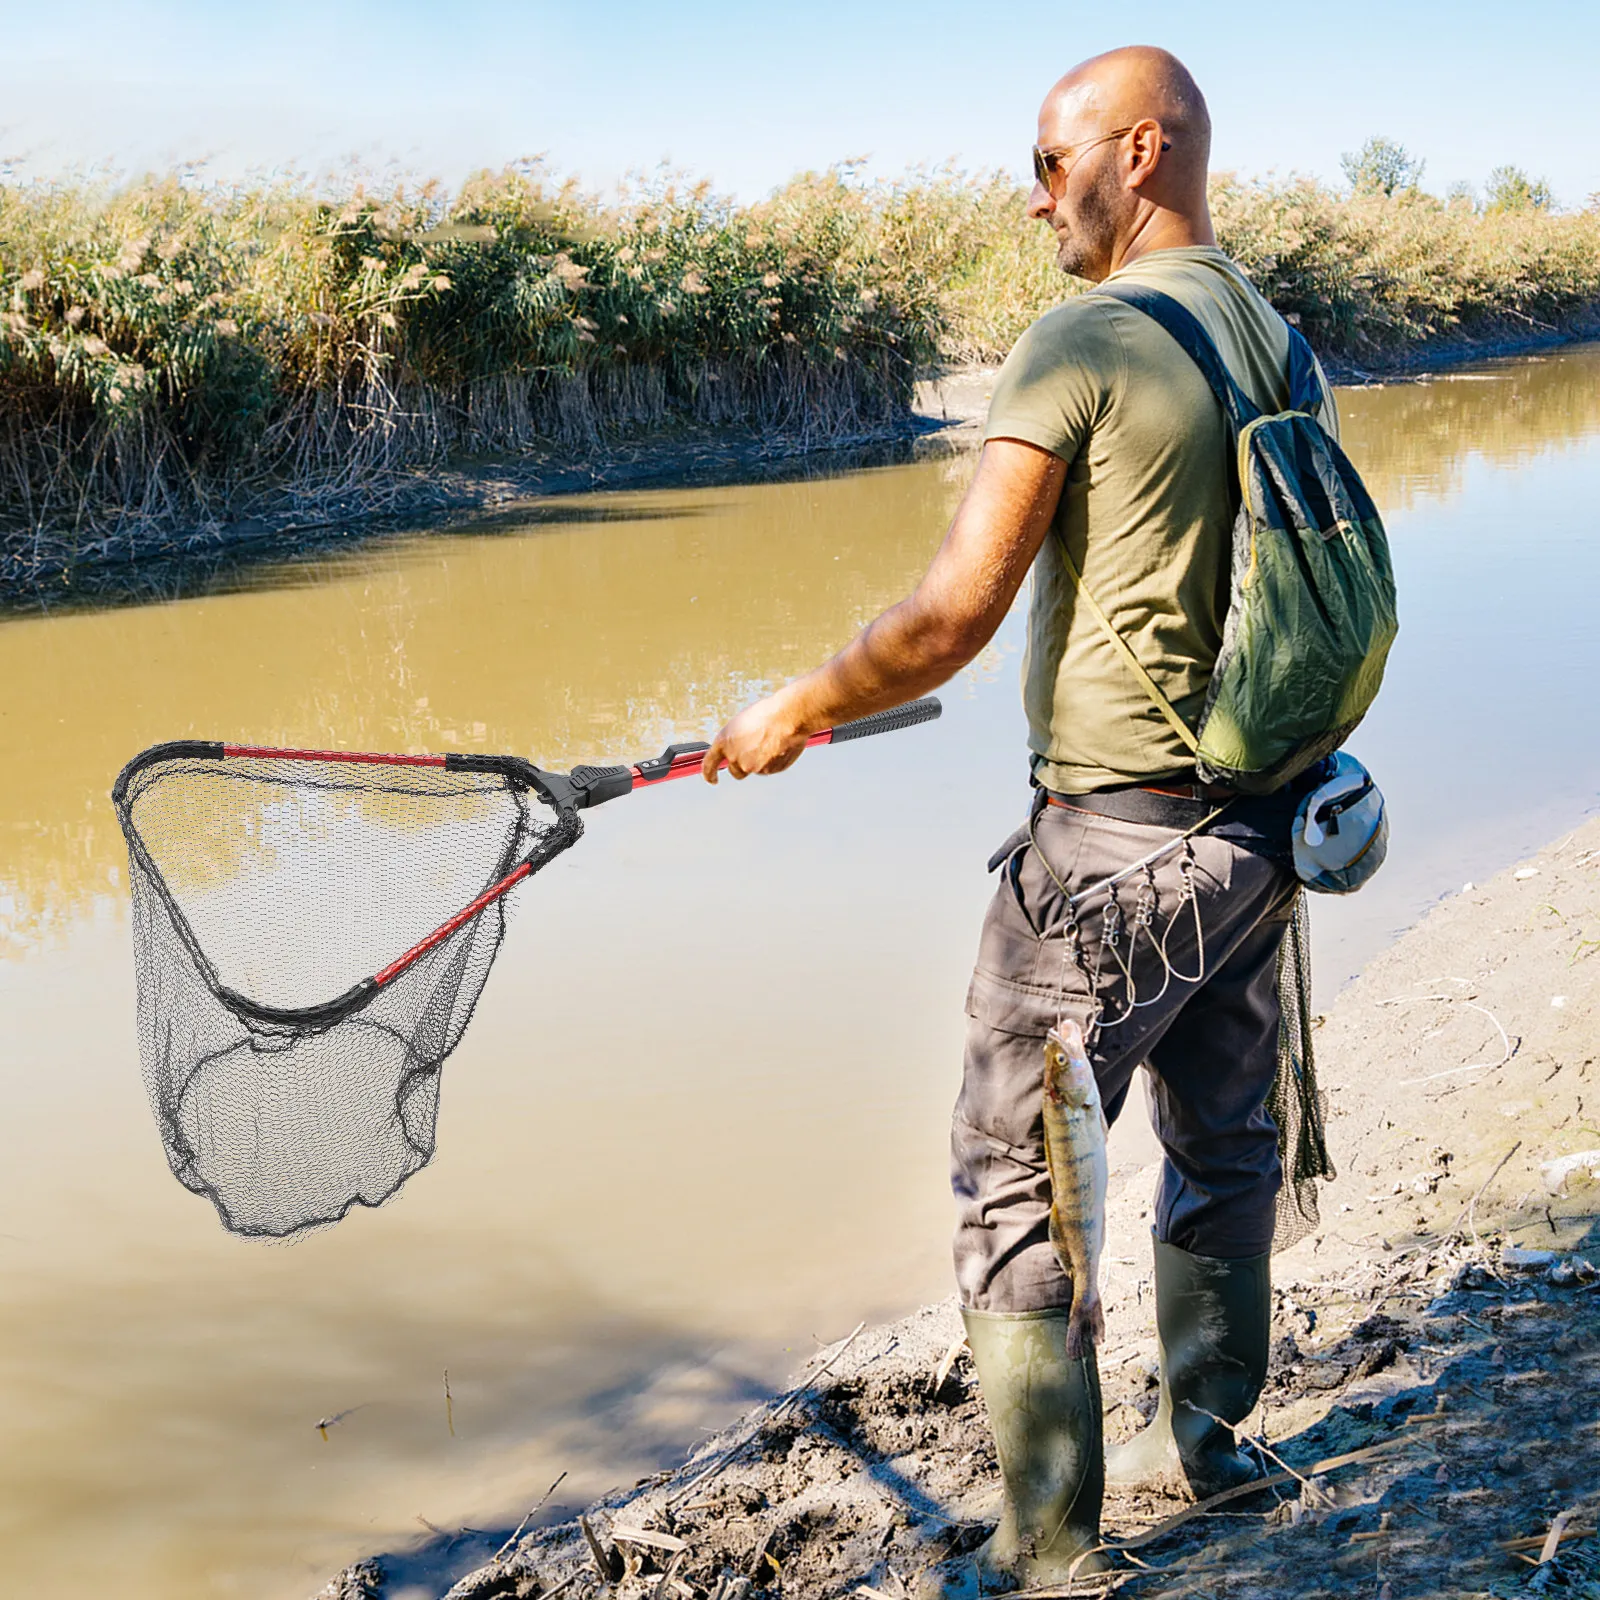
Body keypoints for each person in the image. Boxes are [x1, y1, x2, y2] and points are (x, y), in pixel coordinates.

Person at [701, 44, 1338, 1593]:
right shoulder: (1277, 336)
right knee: (1228, 1138)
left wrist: (793, 707)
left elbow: (950, 616)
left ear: (1139, 150)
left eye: (1050, 164)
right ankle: (1221, 1453)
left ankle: (1052, 1549)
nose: (1033, 193)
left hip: (1108, 856)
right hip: (1256, 841)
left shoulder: (1088, 335)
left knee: (1017, 1181)